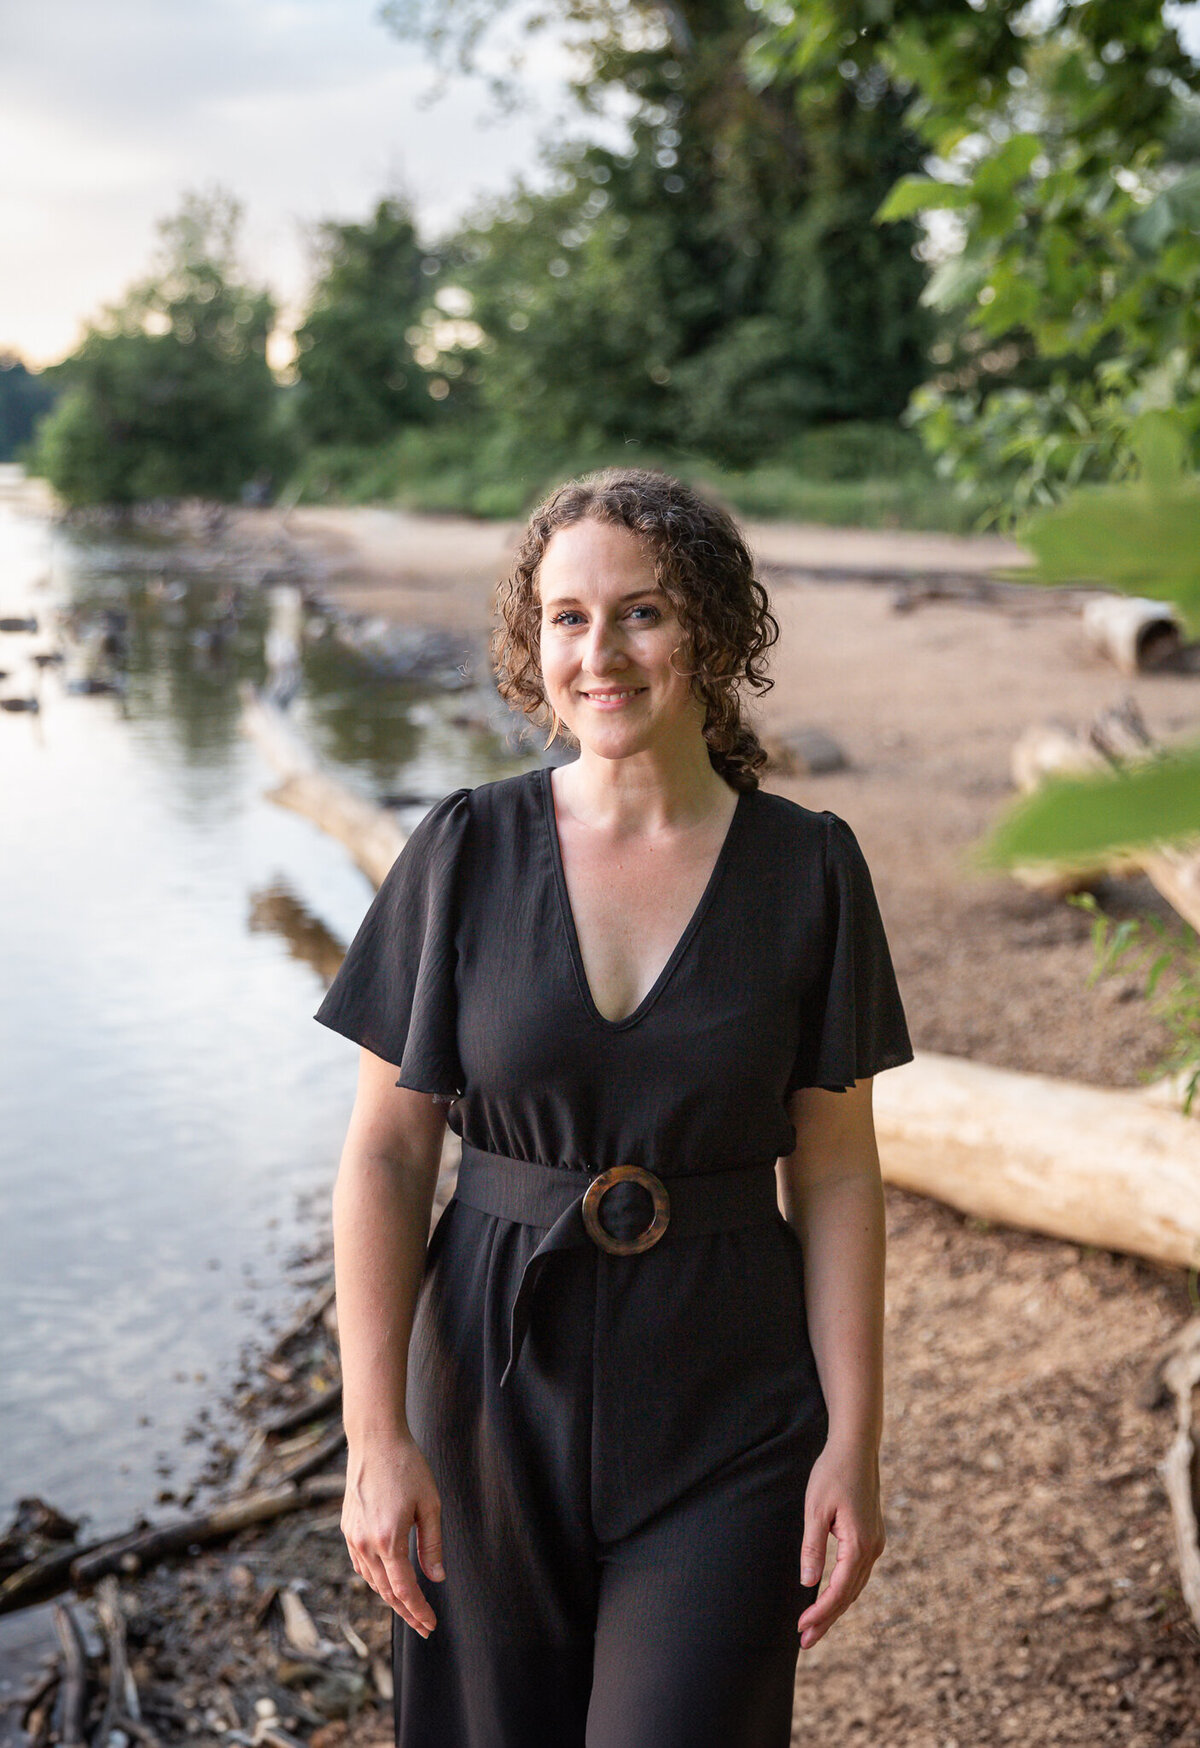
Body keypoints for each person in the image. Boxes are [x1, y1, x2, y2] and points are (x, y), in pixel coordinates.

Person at [314, 466, 914, 1748]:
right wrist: (375, 1436)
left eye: (641, 612)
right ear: (533, 645)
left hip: (732, 1398)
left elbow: (841, 1173)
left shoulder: (811, 866)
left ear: (709, 625)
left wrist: (853, 1443)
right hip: (484, 1393)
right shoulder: (465, 850)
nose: (602, 651)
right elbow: (384, 1151)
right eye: (568, 617)